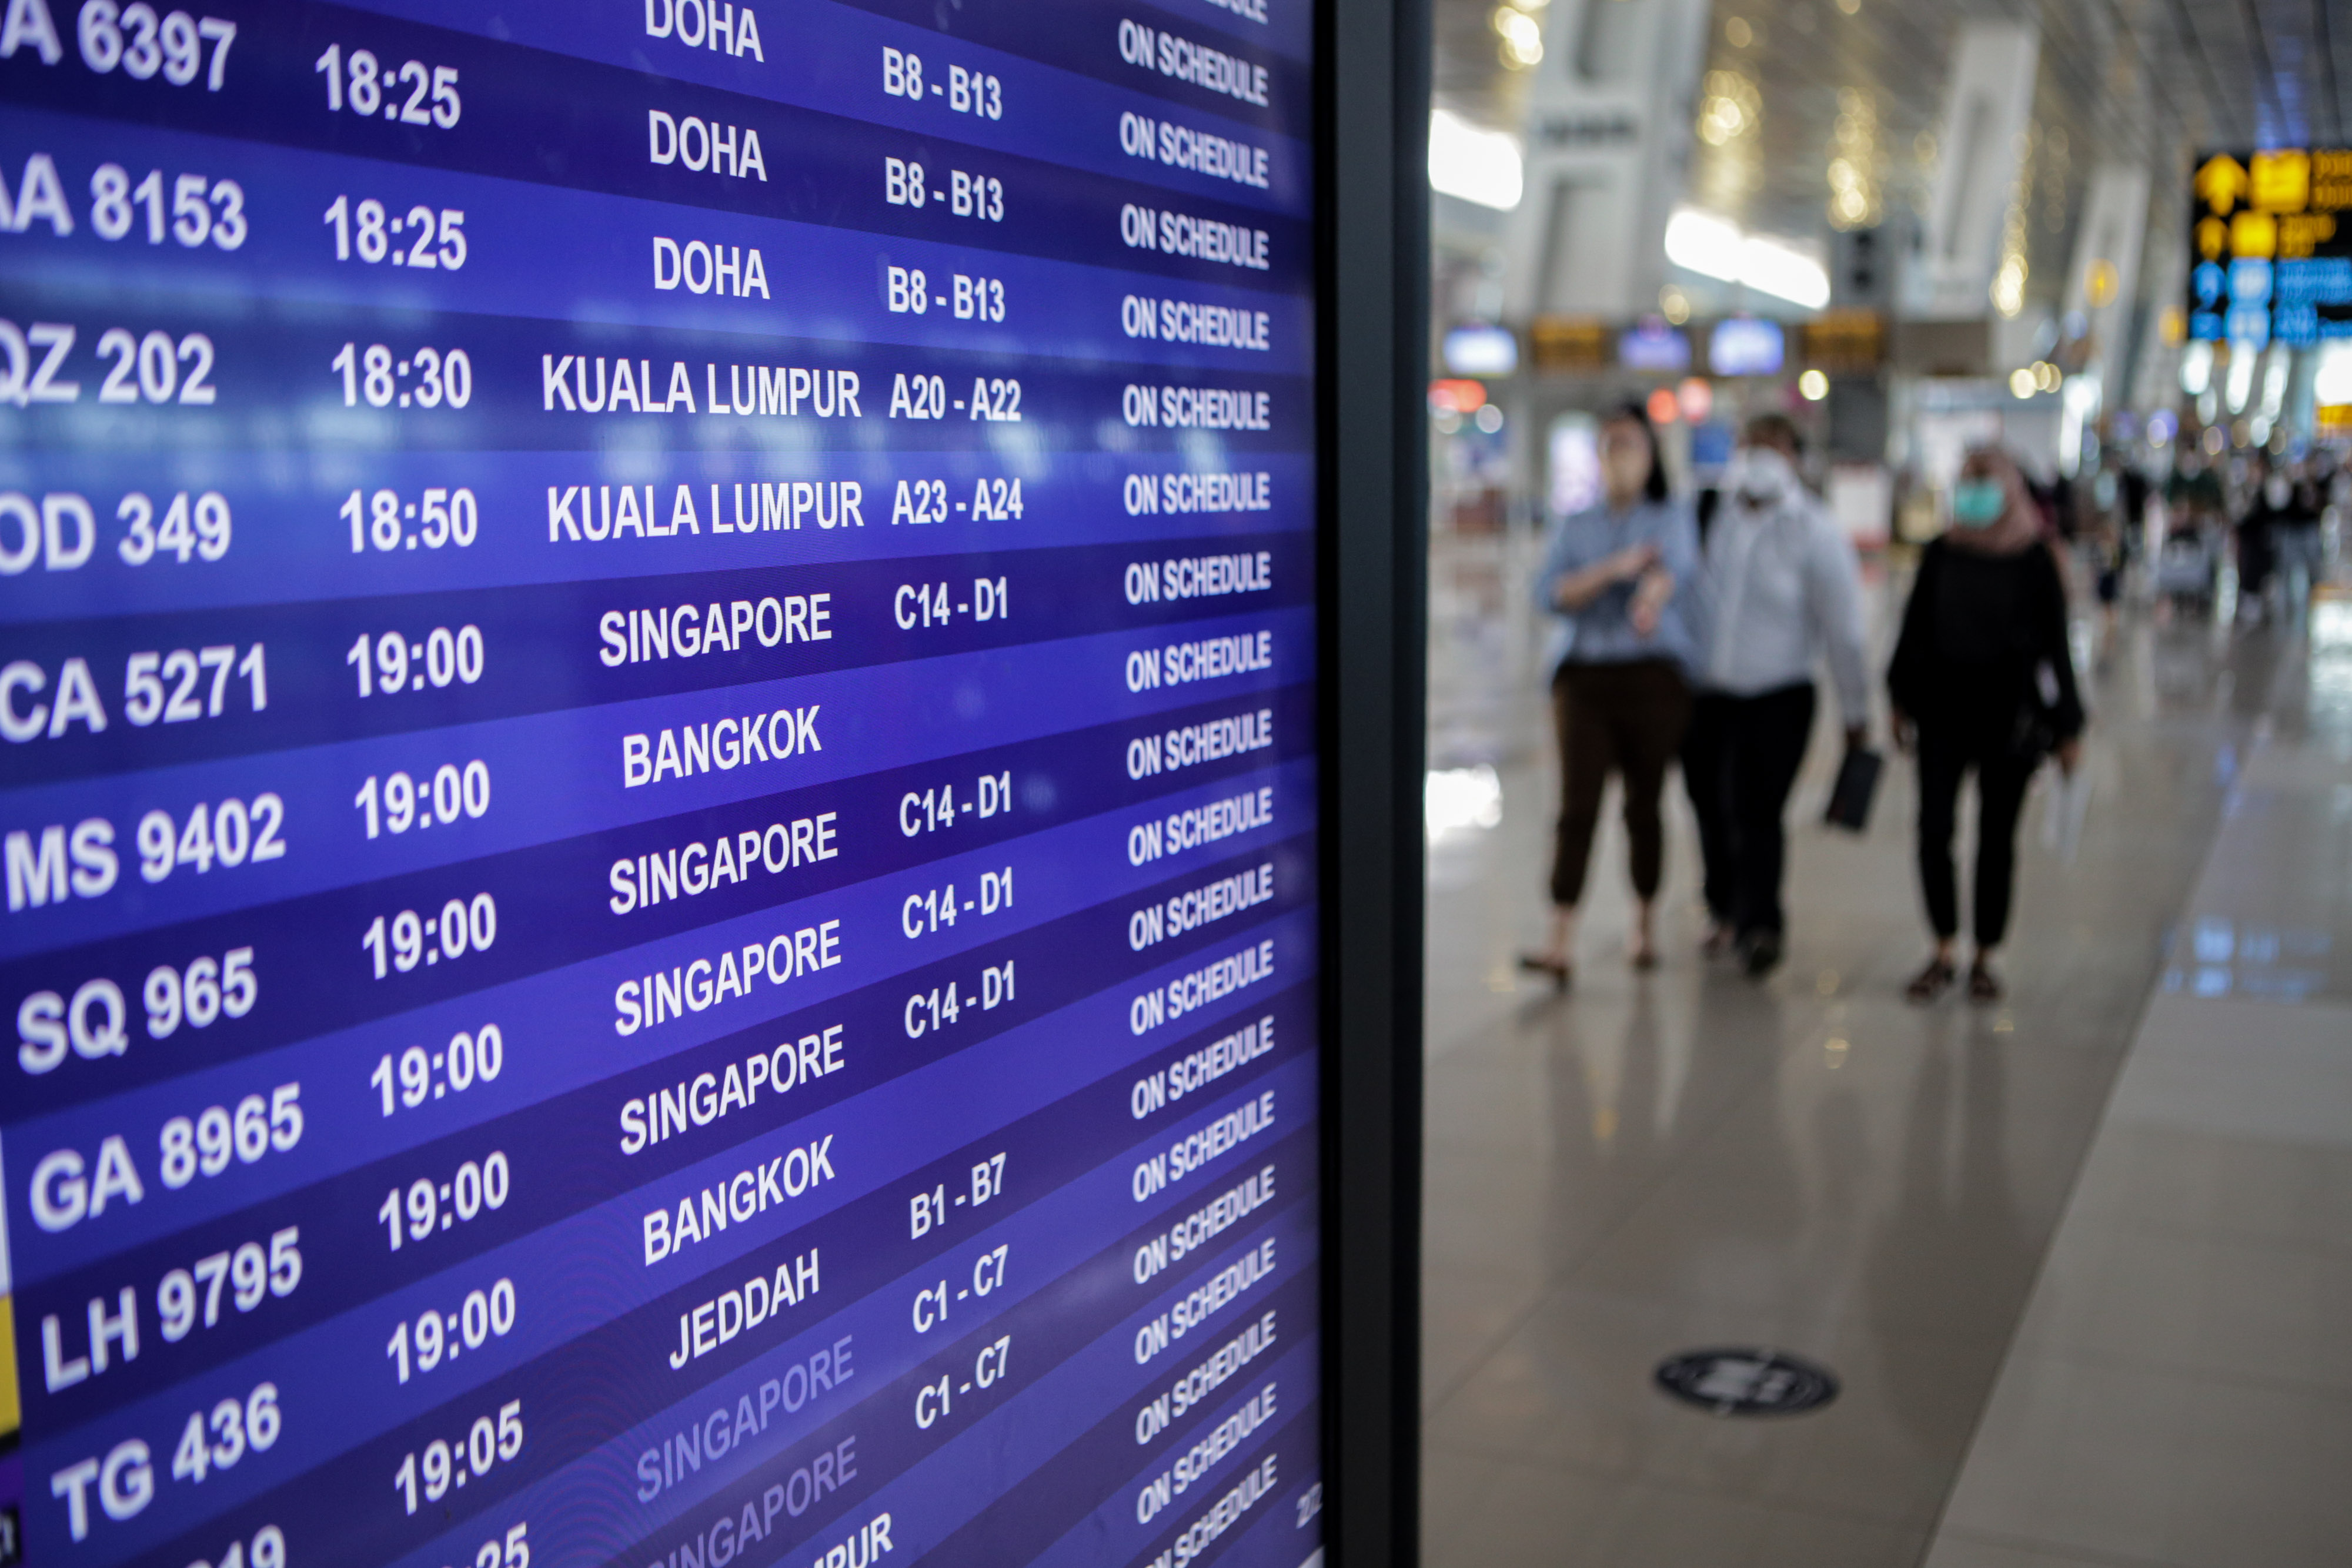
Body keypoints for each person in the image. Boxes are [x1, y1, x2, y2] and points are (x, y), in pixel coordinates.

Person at [1888, 446, 2084, 1003]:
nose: (1974, 495)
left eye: (1985, 483)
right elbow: (1913, 632)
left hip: (2010, 720)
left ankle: (1985, 954)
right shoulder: (1942, 552)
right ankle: (1944, 945)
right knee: (1933, 830)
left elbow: (2057, 648)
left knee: (1996, 840)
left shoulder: (2034, 559)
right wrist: (1899, 697)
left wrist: (2069, 726)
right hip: (1942, 716)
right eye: (1967, 483)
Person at [1681, 414, 1870, 977]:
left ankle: (1761, 924)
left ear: (1794, 456)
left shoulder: (1815, 530)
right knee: (1707, 805)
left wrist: (1856, 712)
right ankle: (1722, 906)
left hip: (1778, 696)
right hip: (1706, 695)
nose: (1758, 456)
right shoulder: (1709, 513)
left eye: (1772, 445)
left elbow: (1845, 630)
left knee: (1756, 810)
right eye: (1750, 443)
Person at [1520, 404, 1701, 985]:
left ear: (1650, 454)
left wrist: (1645, 597)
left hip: (1652, 678)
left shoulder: (1670, 516)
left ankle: (1643, 923)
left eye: (1628, 444)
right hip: (1584, 681)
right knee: (1577, 807)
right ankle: (1560, 937)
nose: (1618, 456)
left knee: (1644, 806)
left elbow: (1671, 575)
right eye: (1608, 445)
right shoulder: (1576, 524)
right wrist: (1614, 569)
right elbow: (1549, 593)